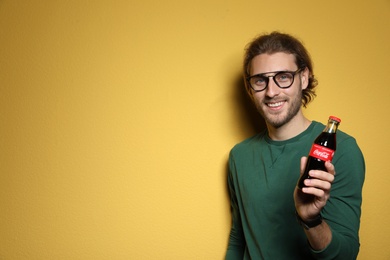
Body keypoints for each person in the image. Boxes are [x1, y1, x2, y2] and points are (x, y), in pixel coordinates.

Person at [225, 32, 365, 259]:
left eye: (283, 77)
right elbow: (238, 238)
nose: (271, 92)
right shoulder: (238, 156)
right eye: (260, 80)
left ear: (304, 78)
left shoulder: (343, 150)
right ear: (250, 88)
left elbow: (346, 255)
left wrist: (310, 220)